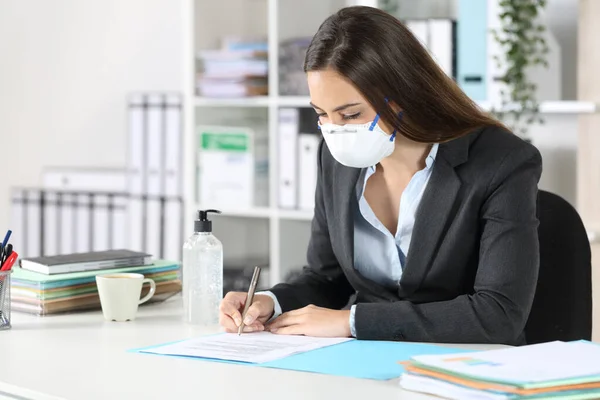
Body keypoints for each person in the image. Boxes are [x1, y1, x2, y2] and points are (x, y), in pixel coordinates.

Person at [219, 6, 542, 345]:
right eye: (322, 115)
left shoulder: (502, 162)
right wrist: (269, 301)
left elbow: (498, 314)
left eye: (350, 114)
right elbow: (327, 279)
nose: (334, 131)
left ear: (403, 95)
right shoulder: (334, 158)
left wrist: (353, 322)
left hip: (462, 366)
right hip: (364, 362)